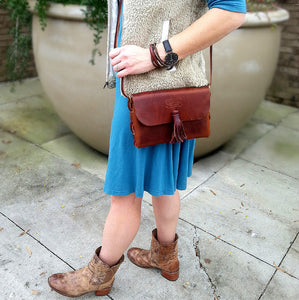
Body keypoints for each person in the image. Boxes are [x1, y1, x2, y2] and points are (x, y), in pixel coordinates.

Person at [48, 0, 246, 297]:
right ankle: (165, 257)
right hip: (164, 90)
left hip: (149, 91)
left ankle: (99, 275)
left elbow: (231, 10)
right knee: (165, 184)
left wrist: (155, 55)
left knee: (125, 194)